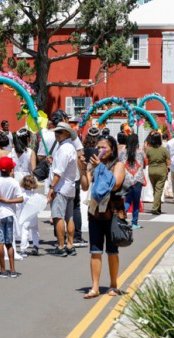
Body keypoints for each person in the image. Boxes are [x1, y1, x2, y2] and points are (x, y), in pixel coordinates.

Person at [78, 135, 126, 299]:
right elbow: (85, 186)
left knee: (112, 251)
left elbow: (115, 184)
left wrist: (100, 167)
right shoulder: (93, 165)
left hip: (112, 212)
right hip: (95, 211)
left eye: (103, 147)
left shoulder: (118, 165)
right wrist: (83, 169)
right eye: (98, 147)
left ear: (112, 149)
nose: (100, 150)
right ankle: (95, 287)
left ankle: (113, 285)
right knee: (95, 250)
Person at [0, 156, 24, 277]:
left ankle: (3, 270)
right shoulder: (14, 182)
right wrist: (8, 201)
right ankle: (12, 270)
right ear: (11, 169)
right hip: (9, 214)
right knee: (9, 243)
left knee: (0, 243)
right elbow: (21, 198)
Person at [47, 122, 79, 257]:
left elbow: (58, 172)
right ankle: (70, 245)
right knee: (69, 217)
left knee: (58, 217)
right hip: (69, 186)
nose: (57, 134)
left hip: (61, 187)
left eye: (59, 132)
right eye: (56, 132)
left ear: (67, 133)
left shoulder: (64, 148)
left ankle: (61, 246)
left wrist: (51, 188)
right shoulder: (69, 147)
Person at [120, 134, 147, 229]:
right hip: (138, 180)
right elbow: (144, 165)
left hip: (126, 180)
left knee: (127, 200)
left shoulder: (122, 153)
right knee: (136, 202)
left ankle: (121, 217)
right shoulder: (141, 153)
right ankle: (134, 223)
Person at [144, 131, 170, 215]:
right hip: (161, 170)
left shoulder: (149, 150)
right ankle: (155, 208)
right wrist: (168, 169)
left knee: (155, 190)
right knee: (158, 190)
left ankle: (158, 208)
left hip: (151, 170)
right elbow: (168, 161)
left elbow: (146, 161)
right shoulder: (163, 150)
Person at [19, 175, 40, 257]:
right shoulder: (35, 195)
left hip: (25, 216)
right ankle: (35, 246)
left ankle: (23, 249)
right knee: (35, 231)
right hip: (33, 216)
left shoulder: (22, 195)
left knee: (24, 232)